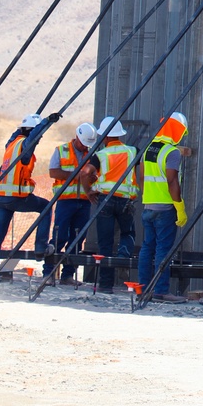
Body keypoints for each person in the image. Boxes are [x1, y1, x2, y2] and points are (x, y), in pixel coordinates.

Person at [0, 114, 55, 276]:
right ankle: (40, 248)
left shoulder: (11, 145)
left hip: (0, 197)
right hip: (16, 197)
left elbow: (19, 134)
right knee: (45, 207)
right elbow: (34, 137)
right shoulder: (25, 147)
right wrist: (47, 122)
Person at [138, 113, 188, 300]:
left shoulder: (148, 148)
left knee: (147, 247)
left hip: (148, 206)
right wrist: (180, 207)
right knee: (163, 250)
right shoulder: (171, 152)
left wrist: (148, 196)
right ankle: (160, 290)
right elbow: (172, 180)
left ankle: (142, 288)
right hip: (165, 209)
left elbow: (141, 177)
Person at [84, 117, 138, 293]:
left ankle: (106, 285)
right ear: (120, 136)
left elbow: (85, 172)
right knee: (128, 232)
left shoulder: (100, 156)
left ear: (106, 137)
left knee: (105, 243)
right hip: (125, 200)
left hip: (105, 200)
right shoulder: (132, 151)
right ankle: (123, 258)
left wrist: (88, 190)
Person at [45, 123, 98, 284]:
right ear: (77, 137)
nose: (85, 146)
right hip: (65, 201)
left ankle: (67, 275)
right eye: (83, 143)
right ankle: (48, 273)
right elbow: (53, 172)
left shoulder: (92, 154)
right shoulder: (61, 150)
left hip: (84, 202)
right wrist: (76, 176)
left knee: (77, 239)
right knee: (58, 237)